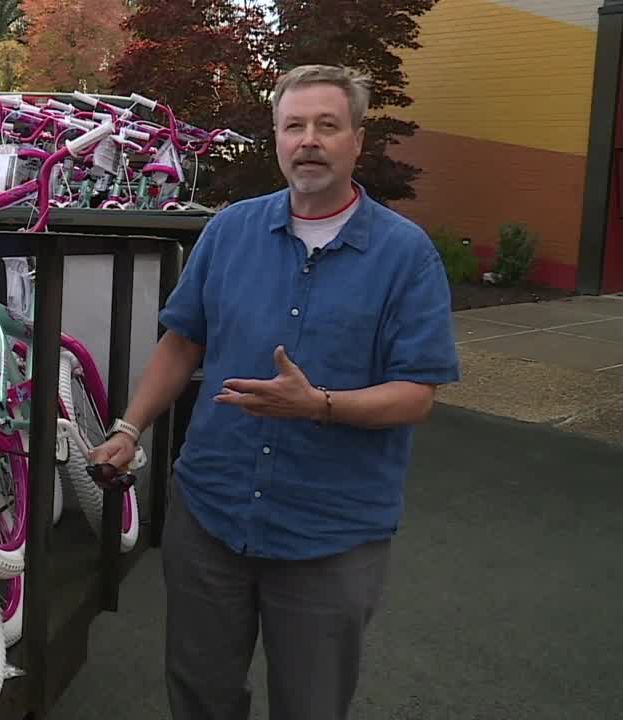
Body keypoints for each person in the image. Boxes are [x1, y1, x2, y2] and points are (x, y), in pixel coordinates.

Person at [89, 64, 461, 720]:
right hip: (211, 515)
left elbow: (416, 394)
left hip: (330, 534)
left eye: (327, 125)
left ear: (356, 140)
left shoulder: (406, 257)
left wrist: (319, 406)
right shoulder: (230, 232)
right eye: (294, 126)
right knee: (201, 694)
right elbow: (182, 343)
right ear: (278, 138)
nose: (308, 140)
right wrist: (128, 427)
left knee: (311, 705)